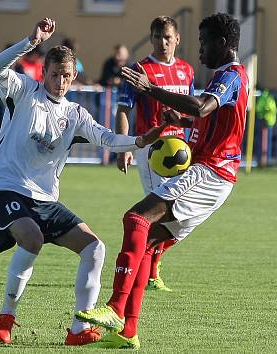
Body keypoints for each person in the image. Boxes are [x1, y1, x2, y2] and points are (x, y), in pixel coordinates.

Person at [0, 17, 172, 346]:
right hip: (3, 187)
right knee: (32, 238)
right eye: (55, 74)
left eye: (67, 76)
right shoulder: (24, 91)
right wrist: (30, 41)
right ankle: (6, 318)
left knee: (95, 248)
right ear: (44, 72)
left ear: (73, 77)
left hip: (45, 200)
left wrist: (140, 141)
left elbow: (107, 138)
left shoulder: (74, 114)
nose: (60, 81)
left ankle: (78, 330)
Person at [76, 13, 248, 349]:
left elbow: (202, 108)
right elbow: (208, 119)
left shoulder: (231, 76)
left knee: (136, 217)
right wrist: (180, 119)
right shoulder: (224, 76)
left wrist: (152, 90)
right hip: (209, 172)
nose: (199, 50)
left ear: (222, 44)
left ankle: (115, 309)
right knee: (146, 243)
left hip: (211, 172)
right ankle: (128, 332)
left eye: (204, 42)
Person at [115, 16, 195, 293]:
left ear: (177, 39)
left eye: (167, 37)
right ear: (151, 39)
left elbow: (193, 110)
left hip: (181, 151)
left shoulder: (187, 71)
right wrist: (124, 146)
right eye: (157, 37)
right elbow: (123, 109)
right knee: (158, 211)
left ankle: (151, 262)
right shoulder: (140, 70)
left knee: (183, 214)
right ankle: (149, 270)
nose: (162, 43)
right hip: (152, 149)